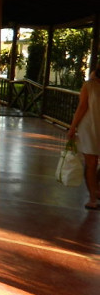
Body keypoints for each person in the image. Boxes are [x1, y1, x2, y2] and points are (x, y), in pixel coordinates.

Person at [68, 63, 100, 210]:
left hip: (92, 126)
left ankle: (95, 192)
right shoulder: (89, 85)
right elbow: (82, 107)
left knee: (92, 163)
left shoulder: (90, 85)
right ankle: (93, 196)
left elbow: (82, 107)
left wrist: (72, 127)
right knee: (92, 163)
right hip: (89, 127)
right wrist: (73, 127)